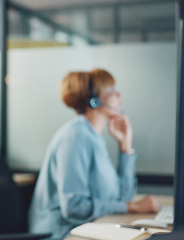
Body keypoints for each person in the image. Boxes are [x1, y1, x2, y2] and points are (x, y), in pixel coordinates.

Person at [28, 69, 160, 239]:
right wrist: (132, 207)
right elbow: (74, 208)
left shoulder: (94, 138)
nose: (118, 94)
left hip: (88, 226)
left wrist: (125, 146)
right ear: (95, 100)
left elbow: (123, 197)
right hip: (61, 233)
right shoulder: (75, 136)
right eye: (111, 90)